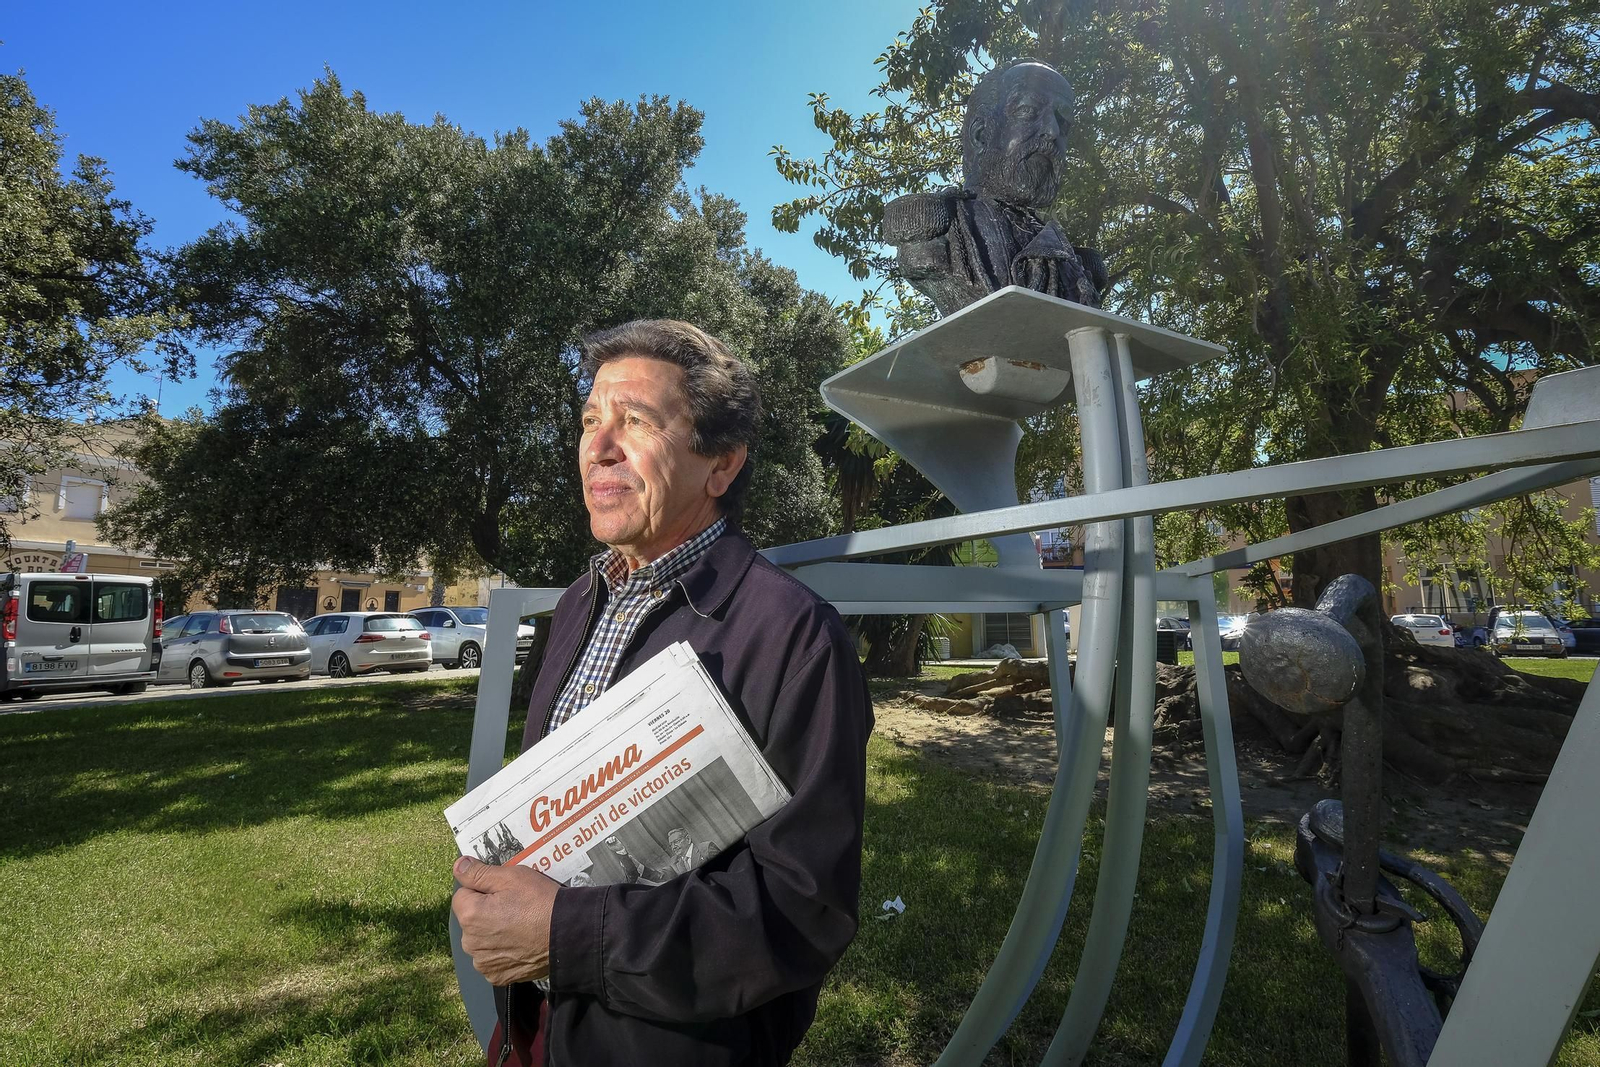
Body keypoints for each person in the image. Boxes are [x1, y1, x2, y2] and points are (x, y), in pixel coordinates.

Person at [450, 319, 873, 1067]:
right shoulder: (579, 603)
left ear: (722, 464)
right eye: (590, 420)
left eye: (637, 421)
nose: (599, 445)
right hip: (536, 1032)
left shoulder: (796, 637)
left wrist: (565, 935)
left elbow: (803, 912)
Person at [882, 60, 1106, 316]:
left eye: (1063, 122)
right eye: (1028, 111)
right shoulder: (942, 229)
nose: (1052, 131)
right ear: (981, 134)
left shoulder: (1069, 256)